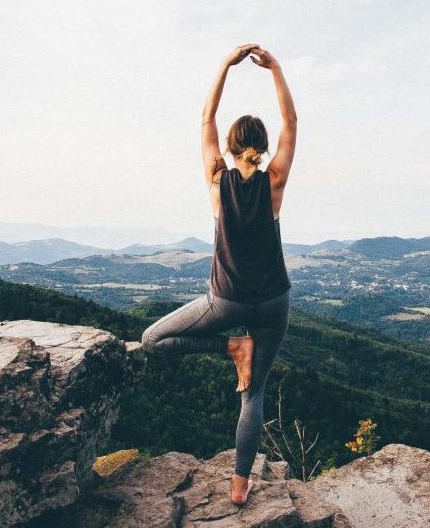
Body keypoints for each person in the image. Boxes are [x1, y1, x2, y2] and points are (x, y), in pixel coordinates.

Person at [141, 43, 297, 506]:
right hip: (274, 302)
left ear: (230, 148)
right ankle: (239, 486)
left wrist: (224, 67)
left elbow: (206, 119)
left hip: (224, 301)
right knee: (254, 396)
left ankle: (231, 347)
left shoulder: (216, 180)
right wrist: (277, 71)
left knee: (152, 339)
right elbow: (293, 124)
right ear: (262, 148)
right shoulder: (274, 182)